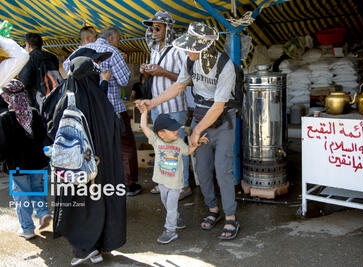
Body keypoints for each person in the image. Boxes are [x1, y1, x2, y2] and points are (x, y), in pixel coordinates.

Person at [137, 22, 240, 240]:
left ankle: (231, 216)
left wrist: (196, 131)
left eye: (191, 47)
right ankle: (213, 209)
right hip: (201, 116)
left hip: (223, 122)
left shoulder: (225, 67)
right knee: (202, 170)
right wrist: (152, 103)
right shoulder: (190, 61)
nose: (186, 50)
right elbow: (178, 86)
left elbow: (219, 106)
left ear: (205, 47)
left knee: (223, 170)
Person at [47, 49, 126, 265]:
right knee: (100, 203)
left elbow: (53, 130)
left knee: (78, 206)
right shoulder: (101, 101)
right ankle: (98, 248)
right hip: (100, 169)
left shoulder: (66, 99)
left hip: (75, 169)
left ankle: (84, 250)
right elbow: (117, 127)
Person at [63, 27, 142, 197]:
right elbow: (124, 80)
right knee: (125, 146)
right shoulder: (112, 51)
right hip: (113, 108)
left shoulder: (79, 52)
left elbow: (66, 68)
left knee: (97, 146)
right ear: (112, 38)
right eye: (118, 39)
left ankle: (101, 182)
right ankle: (129, 184)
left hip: (88, 110)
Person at [138, 105, 207, 243]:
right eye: (172, 129)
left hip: (175, 184)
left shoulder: (179, 142)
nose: (176, 131)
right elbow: (144, 127)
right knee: (166, 203)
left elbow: (187, 151)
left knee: (170, 206)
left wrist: (196, 143)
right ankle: (175, 217)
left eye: (176, 128)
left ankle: (170, 230)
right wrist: (145, 112)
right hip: (161, 182)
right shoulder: (156, 141)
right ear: (161, 133)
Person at [141, 11, 192, 199]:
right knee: (162, 147)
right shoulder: (154, 50)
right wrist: (145, 71)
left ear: (167, 29)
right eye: (152, 28)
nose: (153, 31)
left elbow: (187, 79)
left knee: (177, 146)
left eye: (157, 27)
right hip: (157, 107)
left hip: (175, 107)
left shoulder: (179, 50)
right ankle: (165, 183)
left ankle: (184, 185)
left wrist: (163, 72)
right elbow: (153, 76)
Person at [0, 79, 51, 239]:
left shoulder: (5, 118)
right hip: (38, 162)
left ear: (8, 97)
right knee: (38, 189)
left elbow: (3, 144)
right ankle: (42, 213)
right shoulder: (34, 112)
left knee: (21, 195)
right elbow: (44, 135)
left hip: (18, 165)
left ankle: (27, 229)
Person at [18, 33, 59, 109]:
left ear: (29, 45)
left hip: (37, 101)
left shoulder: (29, 58)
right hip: (56, 96)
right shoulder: (53, 57)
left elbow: (24, 81)